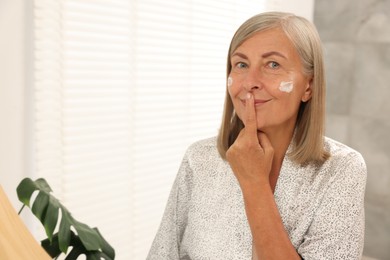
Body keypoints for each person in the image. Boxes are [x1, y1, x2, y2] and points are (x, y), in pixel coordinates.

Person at [147, 11, 367, 260]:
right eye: (241, 64)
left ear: (308, 86)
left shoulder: (340, 169)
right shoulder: (199, 158)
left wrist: (254, 184)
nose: (250, 82)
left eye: (273, 64)